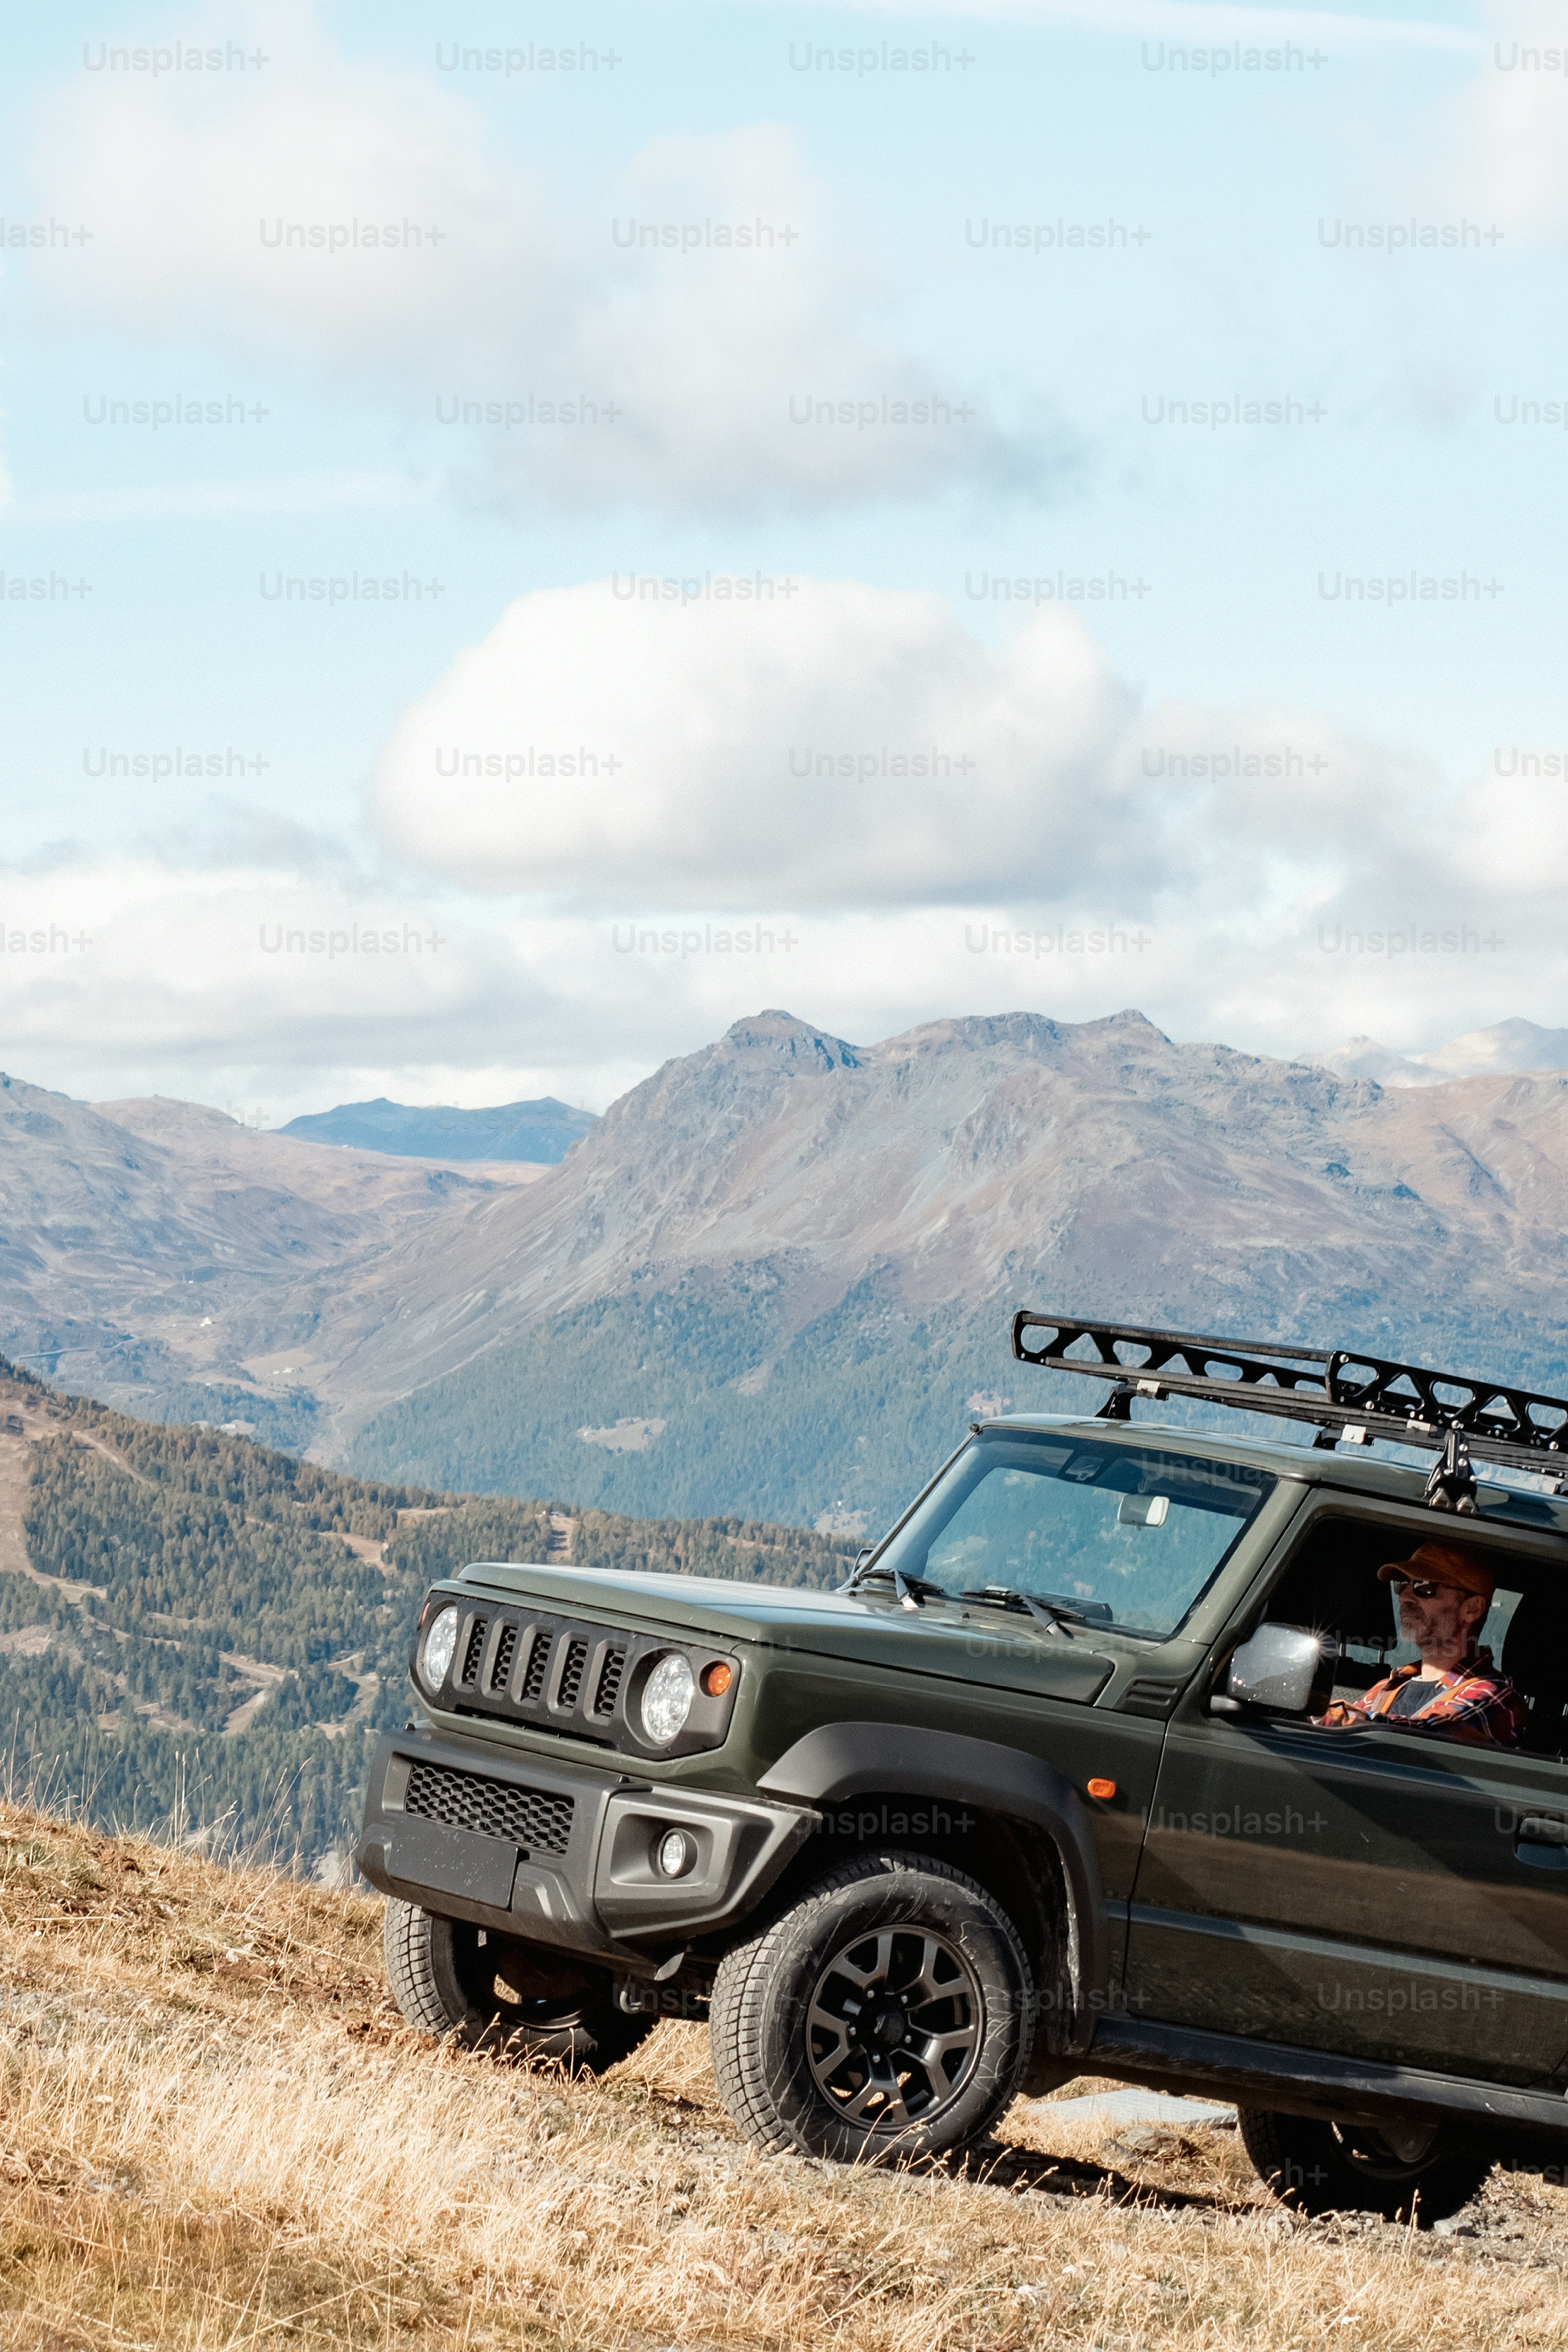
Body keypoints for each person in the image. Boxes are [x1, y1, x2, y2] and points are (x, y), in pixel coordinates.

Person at [1315, 1540, 1526, 1748]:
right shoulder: (1390, 1686)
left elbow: (1419, 1742)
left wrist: (1323, 1715)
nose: (1404, 1597)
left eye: (1424, 1587)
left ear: (1472, 1609)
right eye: (1402, 1585)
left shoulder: (1495, 1696)